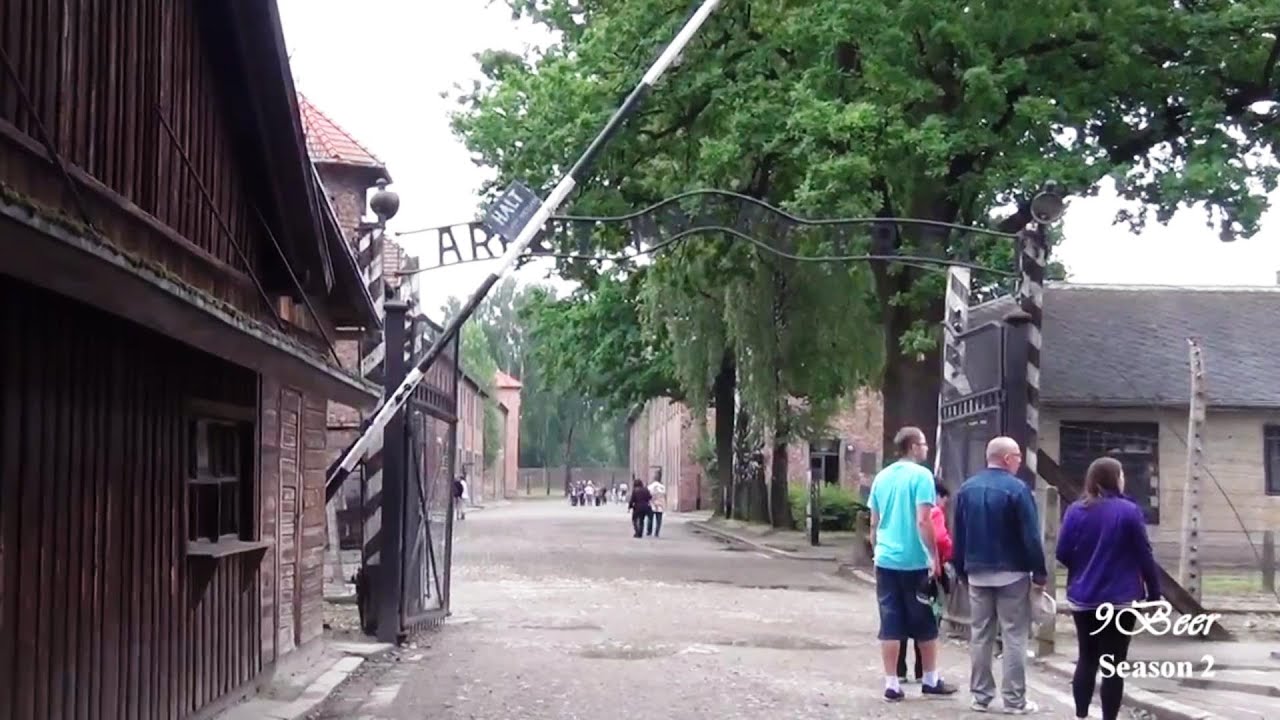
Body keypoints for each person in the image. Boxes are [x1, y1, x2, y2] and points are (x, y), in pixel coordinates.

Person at [1056, 456, 1161, 720]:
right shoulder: (1129, 511)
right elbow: (1144, 554)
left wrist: (1081, 569)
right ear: (1114, 479)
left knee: (1087, 657)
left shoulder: (1075, 511)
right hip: (1120, 599)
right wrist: (1154, 593)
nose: (1124, 479)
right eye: (1121, 474)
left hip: (1083, 597)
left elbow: (1062, 552)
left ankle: (1080, 714)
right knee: (1113, 663)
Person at [952, 436, 1046, 715]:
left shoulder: (967, 489)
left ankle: (981, 696)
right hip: (1012, 573)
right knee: (1014, 635)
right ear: (1007, 459)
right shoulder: (1018, 490)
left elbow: (960, 533)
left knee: (980, 634)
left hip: (977, 573)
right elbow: (1030, 536)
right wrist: (1039, 572)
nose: (1020, 461)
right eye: (1017, 456)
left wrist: (961, 569)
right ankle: (1014, 701)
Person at [868, 426, 957, 702]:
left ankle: (892, 683)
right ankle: (930, 678)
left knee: (890, 619)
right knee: (925, 619)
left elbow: (874, 522)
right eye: (924, 444)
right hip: (914, 559)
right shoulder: (922, 476)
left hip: (886, 559)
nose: (927, 449)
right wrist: (932, 555)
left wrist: (877, 551)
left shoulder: (881, 477)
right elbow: (924, 519)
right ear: (913, 447)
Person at [897, 481, 952, 683]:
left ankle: (898, 671)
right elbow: (940, 538)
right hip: (925, 568)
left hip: (899, 565)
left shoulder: (904, 508)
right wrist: (946, 554)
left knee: (899, 618)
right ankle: (923, 671)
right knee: (925, 619)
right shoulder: (933, 512)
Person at [647, 473, 667, 537]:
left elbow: (647, 495)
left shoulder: (650, 486)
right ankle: (657, 532)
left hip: (652, 504)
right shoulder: (662, 487)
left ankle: (649, 531)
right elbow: (665, 496)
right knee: (659, 520)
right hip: (660, 505)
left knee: (650, 519)